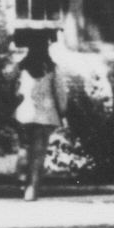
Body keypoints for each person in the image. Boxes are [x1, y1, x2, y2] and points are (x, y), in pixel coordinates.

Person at [14, 30, 66, 201]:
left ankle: (22, 181)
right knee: (38, 154)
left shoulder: (21, 67)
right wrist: (62, 111)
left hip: (23, 114)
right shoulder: (52, 68)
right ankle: (31, 190)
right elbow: (60, 94)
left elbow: (14, 91)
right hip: (45, 116)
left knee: (24, 148)